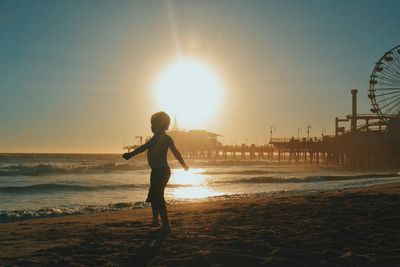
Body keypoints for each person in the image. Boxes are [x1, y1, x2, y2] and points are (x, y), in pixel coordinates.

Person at [122, 111, 189, 232]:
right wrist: (183, 164)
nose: (151, 127)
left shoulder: (159, 138)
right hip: (159, 171)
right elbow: (176, 152)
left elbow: (143, 147)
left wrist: (130, 154)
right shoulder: (166, 138)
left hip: (160, 171)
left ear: (159, 125)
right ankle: (155, 221)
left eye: (153, 124)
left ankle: (166, 224)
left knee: (158, 196)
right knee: (154, 195)